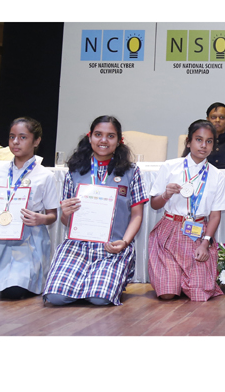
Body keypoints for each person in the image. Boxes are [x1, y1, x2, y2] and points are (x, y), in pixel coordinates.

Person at [43, 116, 149, 306]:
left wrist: (124, 243)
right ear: (90, 137)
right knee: (55, 297)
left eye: (110, 136)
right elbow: (67, 221)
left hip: (112, 247)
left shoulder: (131, 172)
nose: (103, 140)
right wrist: (65, 213)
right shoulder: (74, 171)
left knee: (99, 299)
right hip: (77, 246)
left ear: (119, 140)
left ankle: (103, 283)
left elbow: (137, 215)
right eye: (98, 134)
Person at [0, 117, 59, 300]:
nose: (15, 142)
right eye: (12, 137)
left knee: (12, 293)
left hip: (27, 240)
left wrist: (40, 219)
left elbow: (52, 215)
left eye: (23, 137)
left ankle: (24, 279)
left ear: (36, 141)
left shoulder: (45, 175)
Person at [148, 120, 225, 301]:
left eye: (209, 141)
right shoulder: (170, 167)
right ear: (188, 142)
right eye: (199, 139)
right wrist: (166, 194)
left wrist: (205, 243)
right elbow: (154, 204)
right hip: (169, 231)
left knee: (199, 295)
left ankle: (184, 280)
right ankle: (175, 279)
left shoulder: (217, 175)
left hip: (198, 234)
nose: (203, 145)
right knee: (167, 294)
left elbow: (215, 215)